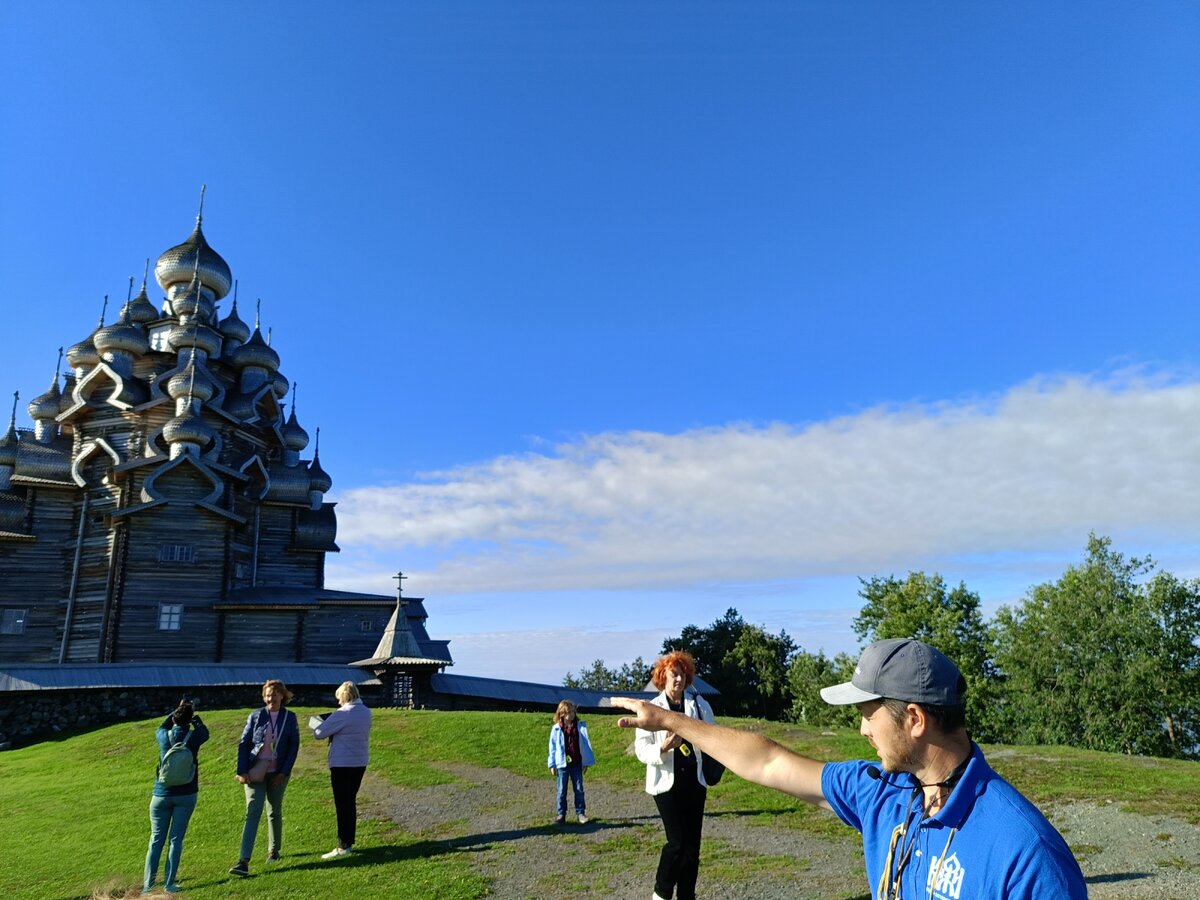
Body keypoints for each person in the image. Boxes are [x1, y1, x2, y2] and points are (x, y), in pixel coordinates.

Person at [610, 638, 1088, 900]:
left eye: (868, 713)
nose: (862, 730)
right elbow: (769, 760)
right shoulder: (883, 794)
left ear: (915, 719)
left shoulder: (1027, 855)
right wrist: (671, 720)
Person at [634, 651, 717, 900]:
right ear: (662, 676)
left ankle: (687, 895)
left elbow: (713, 739)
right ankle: (661, 892)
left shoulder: (700, 706)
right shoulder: (651, 709)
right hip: (666, 785)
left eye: (682, 675)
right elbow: (641, 750)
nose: (678, 680)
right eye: (673, 675)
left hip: (694, 781)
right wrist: (663, 747)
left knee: (693, 848)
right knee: (677, 843)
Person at [229, 679, 300, 878]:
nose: (271, 698)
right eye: (268, 695)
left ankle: (274, 851)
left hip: (278, 773)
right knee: (253, 812)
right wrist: (242, 770)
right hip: (255, 772)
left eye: (274, 695)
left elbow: (294, 746)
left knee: (274, 810)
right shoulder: (255, 716)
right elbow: (244, 743)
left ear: (282, 697)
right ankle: (243, 861)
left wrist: (283, 773)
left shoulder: (290, 718)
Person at [144, 699, 209, 893]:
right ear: (189, 721)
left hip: (161, 794)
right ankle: (169, 884)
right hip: (186, 795)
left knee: (156, 840)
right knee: (175, 840)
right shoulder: (195, 737)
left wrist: (177, 709)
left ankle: (148, 886)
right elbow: (204, 731)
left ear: (174, 718)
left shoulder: (164, 736)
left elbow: (162, 725)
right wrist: (193, 715)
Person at [312, 680, 373, 859]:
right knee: (350, 801)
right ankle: (348, 841)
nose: (338, 702)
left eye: (340, 698)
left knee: (341, 804)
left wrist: (324, 722)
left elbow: (318, 733)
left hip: (342, 763)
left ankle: (343, 844)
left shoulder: (343, 713)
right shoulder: (366, 712)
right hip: (360, 762)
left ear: (345, 698)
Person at [546, 699, 595, 824]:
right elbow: (552, 747)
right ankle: (561, 814)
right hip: (562, 764)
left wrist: (586, 763)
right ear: (562, 714)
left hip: (577, 763)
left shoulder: (579, 727)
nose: (571, 715)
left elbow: (585, 746)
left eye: (573, 712)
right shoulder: (556, 729)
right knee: (562, 790)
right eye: (568, 713)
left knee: (579, 789)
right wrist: (552, 764)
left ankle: (581, 813)